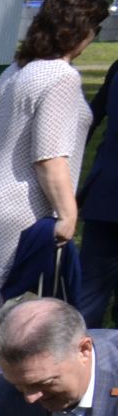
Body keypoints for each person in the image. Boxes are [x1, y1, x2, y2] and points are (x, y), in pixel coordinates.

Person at [0, 0, 109, 409]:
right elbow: (48, 158)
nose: (96, 38)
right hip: (25, 209)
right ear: (79, 30)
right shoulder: (60, 77)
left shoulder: (14, 72)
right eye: (95, 29)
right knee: (24, 310)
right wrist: (68, 213)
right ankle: (5, 395)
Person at [74, 56, 118, 328]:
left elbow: (89, 121)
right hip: (106, 197)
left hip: (106, 194)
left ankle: (84, 363)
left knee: (90, 293)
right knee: (90, 294)